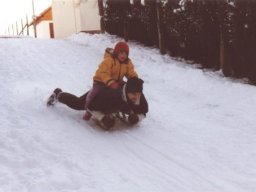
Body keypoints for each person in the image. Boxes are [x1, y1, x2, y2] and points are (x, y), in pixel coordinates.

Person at [47, 77, 148, 129]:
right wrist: (102, 118)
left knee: (126, 105)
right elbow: (90, 107)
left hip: (119, 102)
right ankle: (58, 94)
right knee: (78, 104)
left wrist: (136, 117)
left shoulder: (137, 95)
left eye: (139, 94)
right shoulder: (110, 96)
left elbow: (144, 111)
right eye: (134, 94)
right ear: (127, 92)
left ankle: (116, 110)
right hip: (99, 94)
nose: (137, 97)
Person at [84, 41, 138, 120]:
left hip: (115, 83)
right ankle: (89, 108)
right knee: (93, 94)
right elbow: (104, 73)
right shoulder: (109, 60)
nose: (123, 55)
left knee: (125, 90)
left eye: (126, 53)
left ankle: (125, 107)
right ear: (116, 52)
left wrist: (135, 80)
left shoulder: (127, 63)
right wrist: (110, 82)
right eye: (121, 53)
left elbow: (131, 72)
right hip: (101, 83)